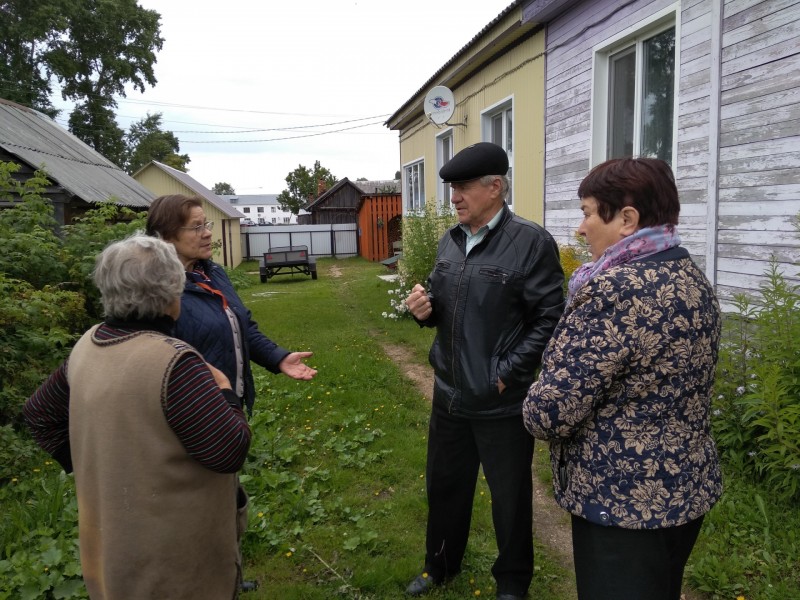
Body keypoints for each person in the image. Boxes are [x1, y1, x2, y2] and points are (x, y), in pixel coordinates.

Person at [522, 158, 723, 600]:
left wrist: (536, 388)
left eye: (589, 212)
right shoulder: (689, 275)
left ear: (627, 219)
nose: (580, 228)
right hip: (684, 489)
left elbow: (549, 413)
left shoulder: (614, 290)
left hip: (622, 502)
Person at [24, 233, 252, 600]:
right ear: (171, 291)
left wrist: (99, 475)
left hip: (111, 545)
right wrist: (225, 389)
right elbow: (228, 451)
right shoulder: (175, 361)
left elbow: (39, 414)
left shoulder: (88, 344)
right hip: (175, 558)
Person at [404, 142, 565, 599]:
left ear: (495, 187)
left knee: (509, 499)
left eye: (462, 187)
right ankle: (440, 566)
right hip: (449, 394)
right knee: (445, 487)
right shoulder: (450, 239)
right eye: (452, 188)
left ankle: (512, 584)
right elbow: (444, 308)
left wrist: (507, 373)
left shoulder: (531, 243)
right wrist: (424, 310)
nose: (454, 197)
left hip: (501, 401)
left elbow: (549, 319)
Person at [146, 194, 317, 415]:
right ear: (167, 236)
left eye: (206, 224)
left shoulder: (212, 274)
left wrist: (278, 357)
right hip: (190, 416)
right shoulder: (156, 291)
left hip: (228, 404)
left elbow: (241, 325)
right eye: (196, 227)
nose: (207, 233)